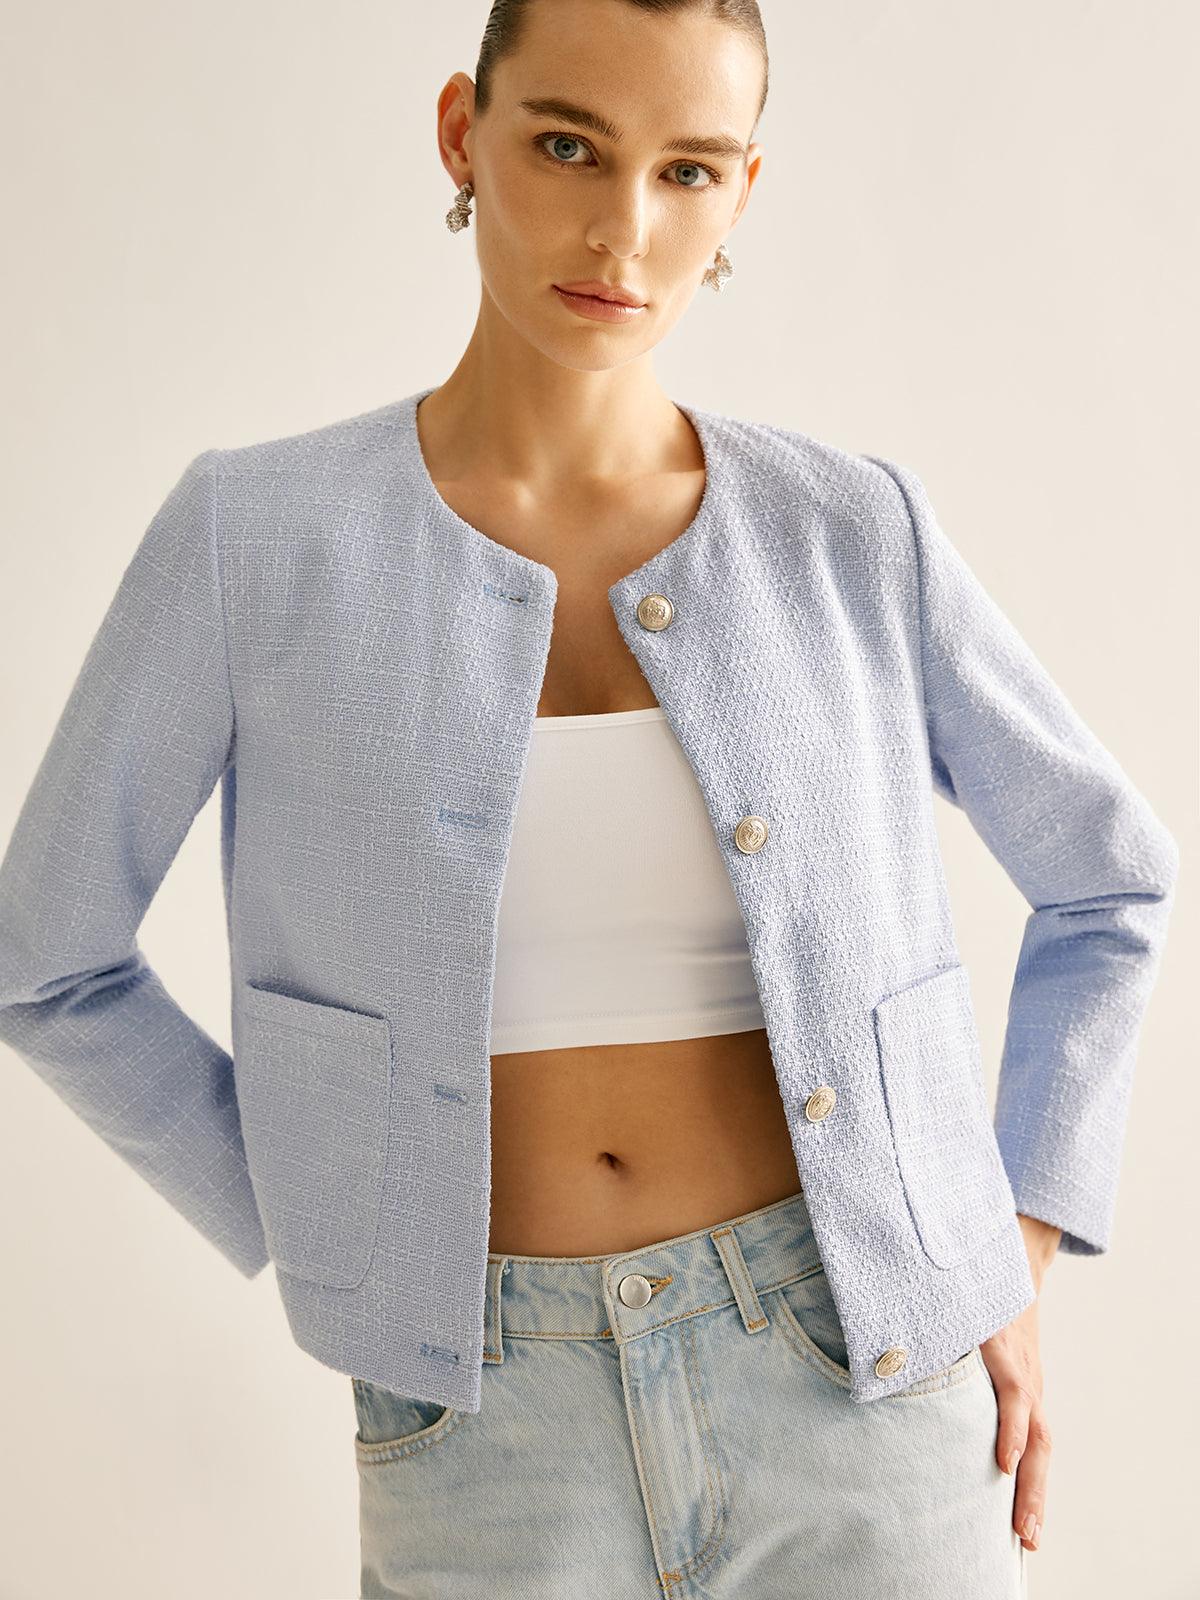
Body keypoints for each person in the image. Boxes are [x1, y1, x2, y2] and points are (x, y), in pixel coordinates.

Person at [0, 2, 1178, 1596]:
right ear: (460, 133)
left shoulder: (850, 531)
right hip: (486, 1431)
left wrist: (1009, 1243)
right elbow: (46, 953)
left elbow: (1109, 878)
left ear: (743, 193)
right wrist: (322, 1203)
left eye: (688, 170)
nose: (624, 229)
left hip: (861, 1386)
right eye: (568, 144)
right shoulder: (254, 540)